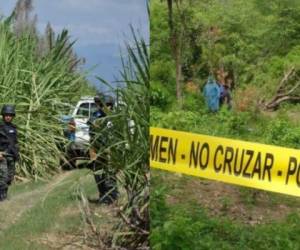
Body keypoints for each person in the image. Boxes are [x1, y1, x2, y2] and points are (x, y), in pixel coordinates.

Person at [88, 96, 118, 205]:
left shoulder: (115, 117)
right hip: (97, 150)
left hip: (111, 150)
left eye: (107, 105)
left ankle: (112, 197)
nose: (104, 107)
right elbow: (91, 133)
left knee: (110, 174)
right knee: (98, 175)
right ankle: (103, 196)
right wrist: (92, 152)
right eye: (102, 105)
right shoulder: (95, 116)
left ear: (111, 106)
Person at [0, 105, 19, 201]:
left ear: (12, 116)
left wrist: (17, 153)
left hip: (12, 155)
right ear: (3, 115)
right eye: (6, 115)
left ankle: (5, 194)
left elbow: (15, 142)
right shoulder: (0, 127)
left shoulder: (14, 128)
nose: (8, 117)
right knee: (3, 176)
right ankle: (2, 196)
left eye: (10, 115)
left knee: (9, 177)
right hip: (2, 155)